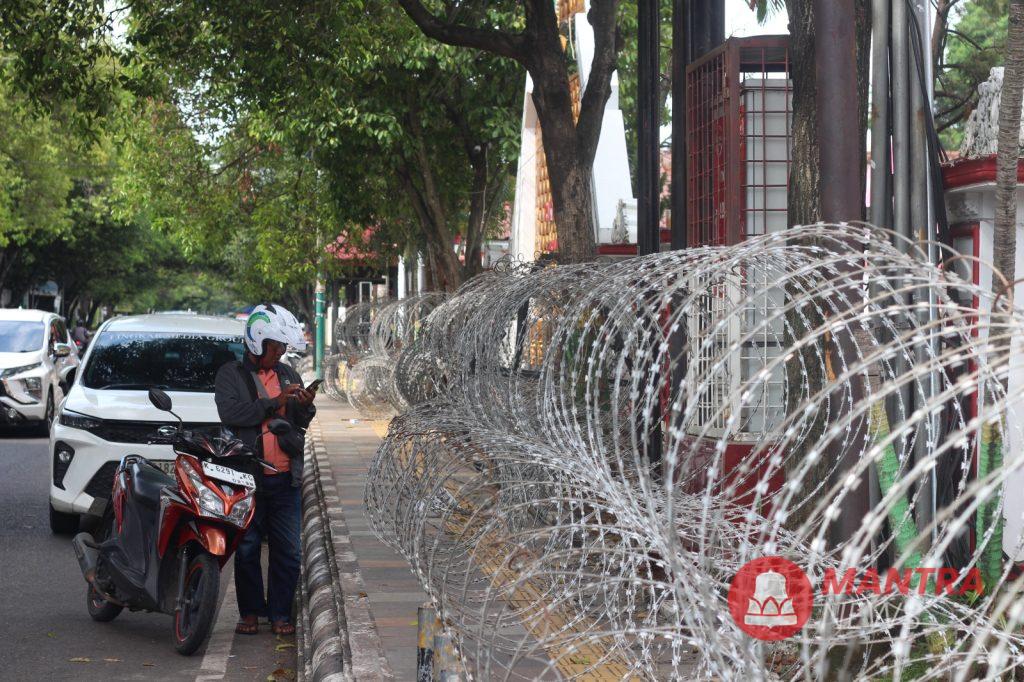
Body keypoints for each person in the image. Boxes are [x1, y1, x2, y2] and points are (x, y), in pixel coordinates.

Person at [214, 303, 315, 636]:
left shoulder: (288, 375)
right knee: (247, 549)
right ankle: (250, 613)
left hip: (286, 479)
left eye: (283, 348)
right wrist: (276, 402)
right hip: (249, 479)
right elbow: (235, 414)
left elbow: (299, 424)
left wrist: (303, 406)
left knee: (289, 551)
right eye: (275, 347)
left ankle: (281, 614)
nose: (280, 353)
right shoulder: (232, 375)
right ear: (257, 343)